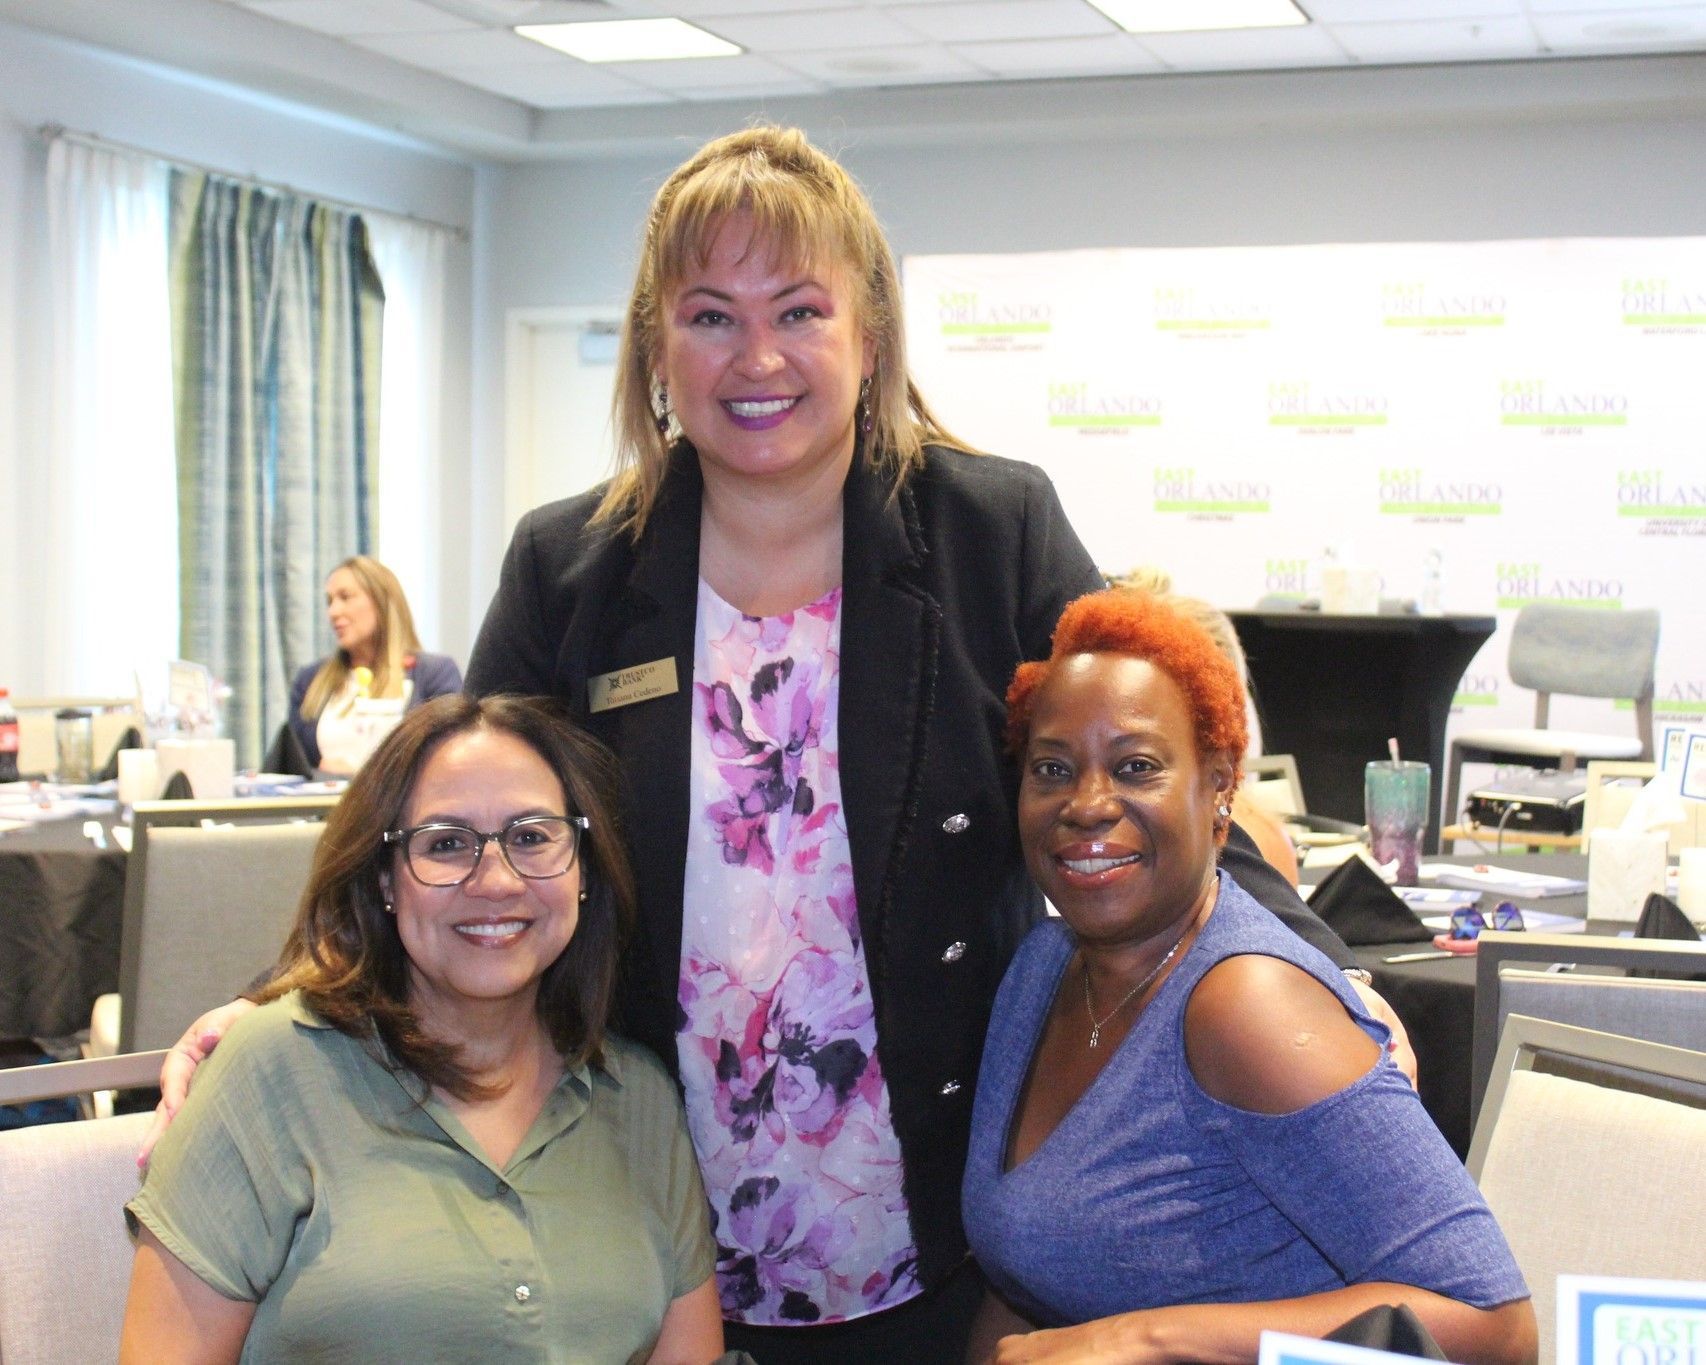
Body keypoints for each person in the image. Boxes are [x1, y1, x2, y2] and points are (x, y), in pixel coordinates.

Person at [148, 126, 1410, 1362]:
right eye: (708, 315)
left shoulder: (990, 529)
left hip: (937, 1222)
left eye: (799, 310)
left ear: (869, 337)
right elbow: (442, 833)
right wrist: (281, 1002)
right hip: (637, 1212)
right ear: (656, 347)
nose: (757, 355)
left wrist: (1316, 968)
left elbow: (1157, 781)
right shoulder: (570, 566)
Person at [962, 590, 1536, 1364]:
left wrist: (1148, 1336)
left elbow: (1495, 1327)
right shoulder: (1041, 970)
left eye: (1136, 766)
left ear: (1220, 789)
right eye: (1052, 768)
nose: (1087, 803)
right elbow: (1020, 1274)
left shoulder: (1246, 1006)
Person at [121, 695, 726, 1364]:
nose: (495, 879)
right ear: (385, 879)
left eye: (532, 835)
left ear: (583, 868)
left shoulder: (638, 1098)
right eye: (445, 844)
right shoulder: (271, 1072)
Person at [287, 555, 462, 773]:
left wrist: (358, 778)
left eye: (345, 597)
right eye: (330, 601)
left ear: (382, 602)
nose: (333, 612)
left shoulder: (435, 675)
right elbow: (296, 765)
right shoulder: (310, 680)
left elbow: (447, 758)